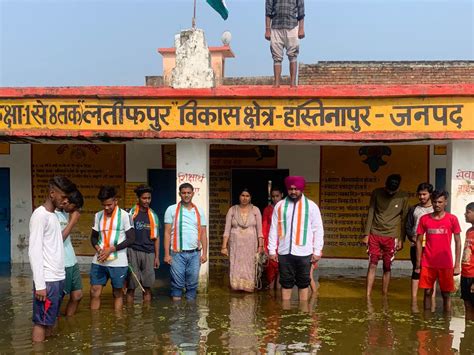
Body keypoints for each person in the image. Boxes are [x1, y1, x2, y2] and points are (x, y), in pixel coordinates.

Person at [28, 176, 76, 342]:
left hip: (57, 278)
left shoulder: (53, 216)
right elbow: (34, 251)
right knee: (41, 322)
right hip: (46, 281)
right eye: (63, 197)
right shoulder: (39, 215)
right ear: (52, 193)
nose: (65, 201)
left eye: (67, 198)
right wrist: (40, 284)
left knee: (52, 319)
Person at [268, 176, 324, 301]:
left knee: (303, 283)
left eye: (296, 189)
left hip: (304, 252)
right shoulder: (280, 206)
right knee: (286, 283)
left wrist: (317, 251)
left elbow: (318, 229)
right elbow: (273, 228)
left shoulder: (311, 206)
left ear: (302, 189)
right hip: (284, 252)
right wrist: (272, 250)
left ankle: (303, 313)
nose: (293, 192)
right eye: (290, 189)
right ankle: (285, 311)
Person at [415, 190, 462, 312]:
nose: (437, 204)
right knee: (427, 292)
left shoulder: (452, 219)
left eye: (440, 202)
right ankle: (426, 322)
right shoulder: (424, 219)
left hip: (446, 263)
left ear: (445, 202)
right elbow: (419, 241)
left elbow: (458, 242)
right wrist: (418, 263)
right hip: (428, 263)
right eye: (435, 202)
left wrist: (457, 265)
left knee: (446, 294)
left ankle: (446, 325)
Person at [90, 186, 135, 311]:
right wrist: (99, 249)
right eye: (104, 205)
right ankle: (95, 325)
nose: (106, 208)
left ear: (116, 201)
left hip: (118, 261)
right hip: (99, 259)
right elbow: (93, 238)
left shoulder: (126, 216)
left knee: (118, 292)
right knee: (94, 291)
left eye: (109, 204)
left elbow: (131, 239)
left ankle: (118, 324)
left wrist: (111, 249)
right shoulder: (98, 216)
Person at [363, 174, 409, 297]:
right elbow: (371, 212)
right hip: (375, 233)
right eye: (388, 189)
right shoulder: (376, 193)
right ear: (385, 185)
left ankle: (384, 294)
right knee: (372, 263)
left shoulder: (403, 196)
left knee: (387, 266)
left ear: (398, 188)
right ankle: (367, 295)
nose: (390, 192)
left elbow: (404, 218)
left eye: (392, 191)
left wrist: (401, 238)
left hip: (392, 235)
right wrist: (366, 234)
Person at [164, 183, 208, 301]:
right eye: (183, 193)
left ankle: (190, 316)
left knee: (192, 286)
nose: (186, 195)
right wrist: (167, 254)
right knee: (177, 286)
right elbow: (167, 233)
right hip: (177, 253)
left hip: (195, 254)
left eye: (189, 193)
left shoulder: (199, 211)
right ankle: (177, 316)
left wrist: (204, 253)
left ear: (193, 194)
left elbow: (203, 233)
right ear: (180, 194)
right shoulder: (171, 209)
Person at [221, 188, 264, 292]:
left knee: (249, 265)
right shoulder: (232, 210)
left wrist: (260, 246)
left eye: (247, 196)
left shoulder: (255, 210)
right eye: (243, 195)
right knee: (235, 264)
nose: (245, 198)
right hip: (236, 245)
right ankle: (236, 287)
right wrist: (224, 247)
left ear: (250, 198)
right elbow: (227, 230)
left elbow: (260, 230)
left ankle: (248, 288)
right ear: (239, 196)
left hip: (250, 244)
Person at [126, 185, 160, 304]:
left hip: (149, 252)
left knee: (147, 287)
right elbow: (124, 234)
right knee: (131, 287)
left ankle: (147, 318)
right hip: (132, 251)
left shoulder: (153, 215)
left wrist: (156, 257)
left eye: (149, 198)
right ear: (139, 198)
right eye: (144, 198)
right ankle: (129, 317)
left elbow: (156, 237)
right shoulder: (130, 214)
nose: (147, 201)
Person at [56, 189, 84, 316]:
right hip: (62, 263)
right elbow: (58, 240)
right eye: (74, 206)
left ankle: (69, 323)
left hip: (72, 261)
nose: (75, 209)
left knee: (77, 295)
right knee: (58, 299)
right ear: (67, 202)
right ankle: (53, 325)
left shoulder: (66, 212)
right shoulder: (52, 215)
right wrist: (73, 222)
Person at [405, 182, 434, 307]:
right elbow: (408, 225)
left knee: (433, 271)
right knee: (416, 269)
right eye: (420, 194)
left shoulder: (435, 208)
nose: (421, 197)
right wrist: (412, 237)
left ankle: (431, 299)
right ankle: (414, 299)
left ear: (430, 194)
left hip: (432, 245)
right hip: (416, 245)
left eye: (424, 194)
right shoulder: (414, 209)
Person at [265, 0, 305, 87]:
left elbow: (301, 10)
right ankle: (277, 83)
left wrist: (301, 28)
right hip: (276, 26)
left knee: (293, 55)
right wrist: (267, 29)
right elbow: (268, 10)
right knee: (276, 57)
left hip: (292, 25)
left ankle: (293, 83)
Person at [262, 187, 284, 290]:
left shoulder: (286, 208)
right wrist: (263, 245)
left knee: (281, 270)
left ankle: (279, 300)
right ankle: (271, 299)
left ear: (282, 195)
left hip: (283, 242)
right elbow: (264, 227)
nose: (275, 198)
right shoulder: (268, 209)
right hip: (271, 242)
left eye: (277, 196)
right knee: (270, 270)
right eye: (273, 196)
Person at [460, 202, 474, 320]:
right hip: (465, 274)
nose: (465, 214)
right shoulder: (469, 231)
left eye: (468, 212)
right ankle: (467, 334)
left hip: (473, 275)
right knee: (467, 304)